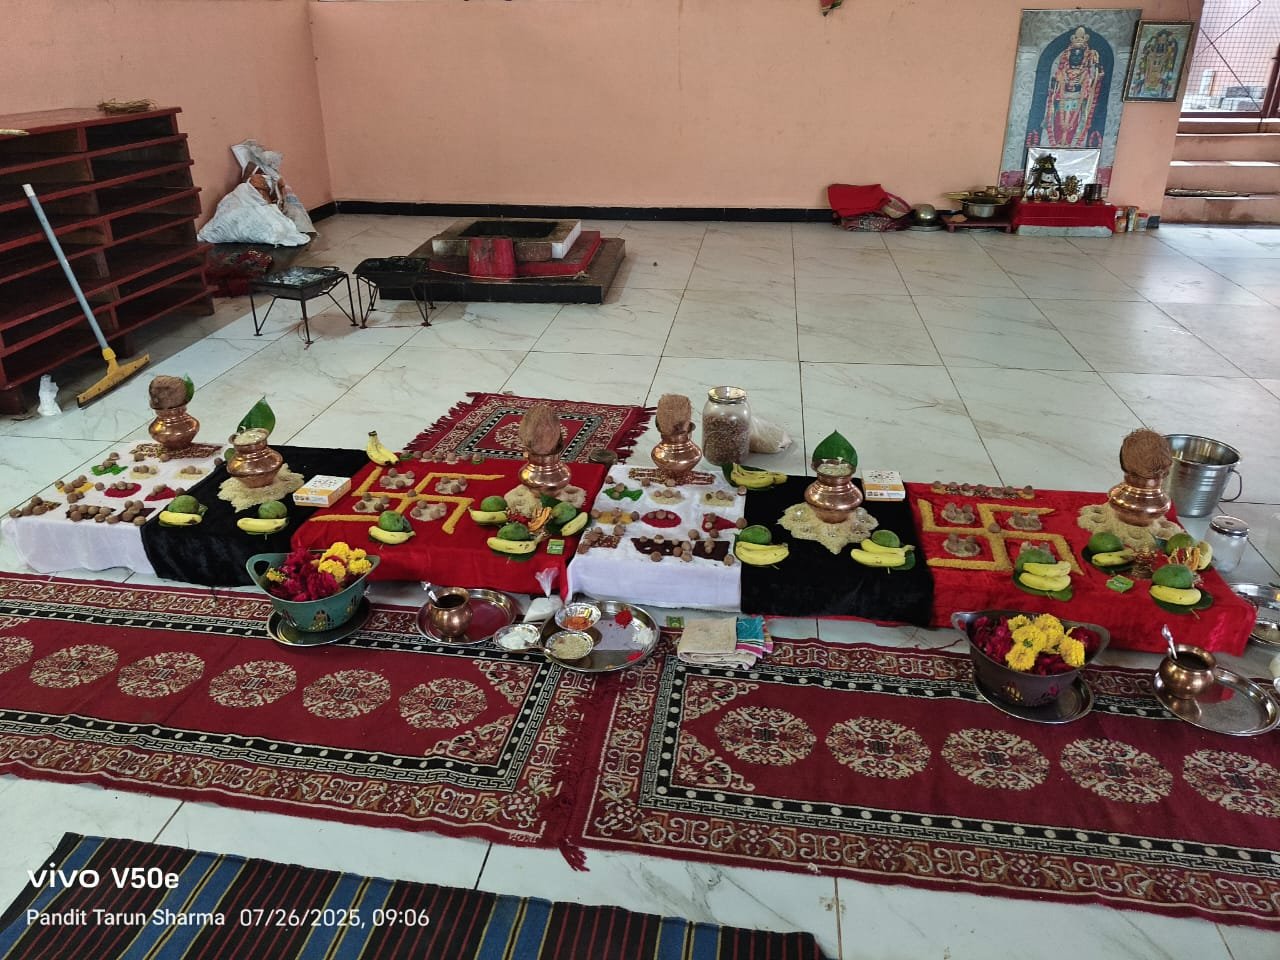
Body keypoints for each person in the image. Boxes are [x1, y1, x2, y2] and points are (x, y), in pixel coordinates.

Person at [1042, 26, 1105, 146]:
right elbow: (1054, 88)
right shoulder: (1062, 71)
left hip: (1077, 102)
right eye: (1073, 55)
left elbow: (1091, 86)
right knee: (1058, 122)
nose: (1076, 58)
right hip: (1062, 101)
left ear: (1083, 58)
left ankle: (1070, 144)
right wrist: (1056, 84)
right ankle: (1057, 144)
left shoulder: (1085, 73)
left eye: (1079, 56)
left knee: (1074, 122)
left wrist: (1097, 75)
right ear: (1068, 56)